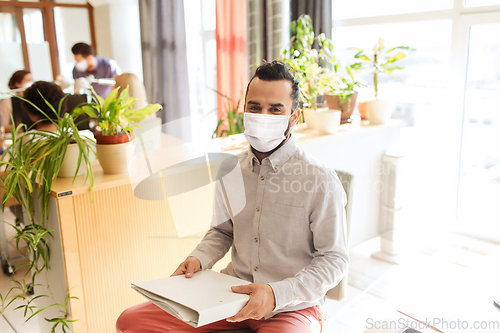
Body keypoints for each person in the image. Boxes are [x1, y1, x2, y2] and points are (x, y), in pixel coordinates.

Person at [115, 61, 349, 333]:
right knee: (130, 322)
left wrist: (276, 294)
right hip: (229, 294)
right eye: (255, 107)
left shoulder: (319, 179)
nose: (263, 115)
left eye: (275, 109)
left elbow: (334, 259)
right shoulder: (231, 170)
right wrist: (199, 259)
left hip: (290, 306)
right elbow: (223, 231)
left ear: (294, 117)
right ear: (245, 110)